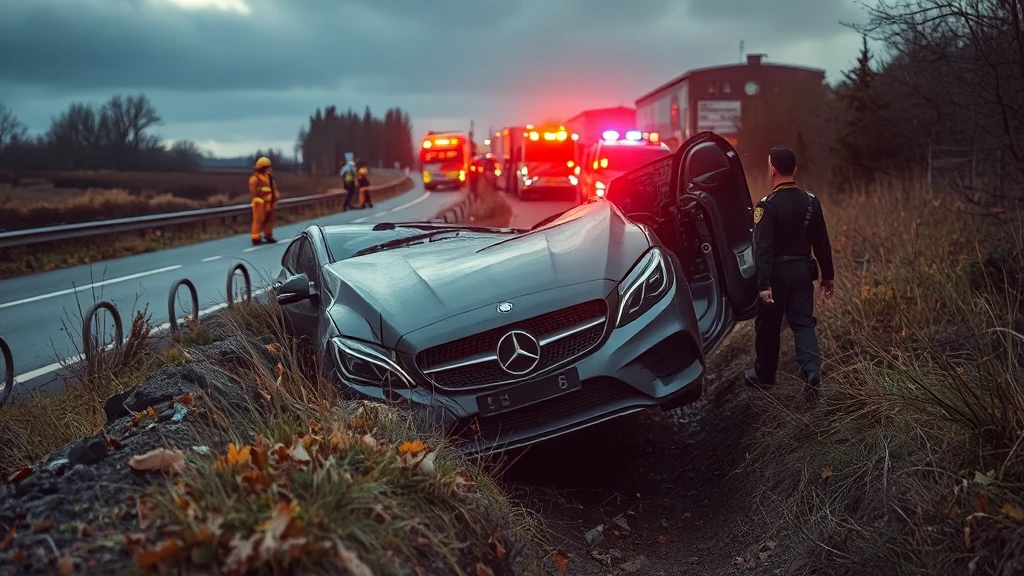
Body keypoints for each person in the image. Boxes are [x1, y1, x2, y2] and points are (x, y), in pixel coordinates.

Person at [744, 146, 835, 403]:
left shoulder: (767, 205)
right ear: (794, 169)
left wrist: (763, 284)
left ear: (772, 169)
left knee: (768, 325)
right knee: (803, 323)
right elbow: (822, 242)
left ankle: (764, 374)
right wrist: (828, 275)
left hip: (776, 275)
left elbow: (762, 249)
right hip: (803, 273)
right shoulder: (812, 201)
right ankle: (811, 371)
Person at [248, 156, 280, 245]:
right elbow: (253, 191)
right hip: (260, 202)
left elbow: (273, 189)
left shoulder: (269, 178)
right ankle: (255, 237)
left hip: (270, 202)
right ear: (262, 168)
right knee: (259, 219)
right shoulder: (255, 178)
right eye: (267, 167)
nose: (269, 169)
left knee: (270, 219)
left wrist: (275, 198)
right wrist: (262, 197)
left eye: (269, 167)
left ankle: (268, 235)